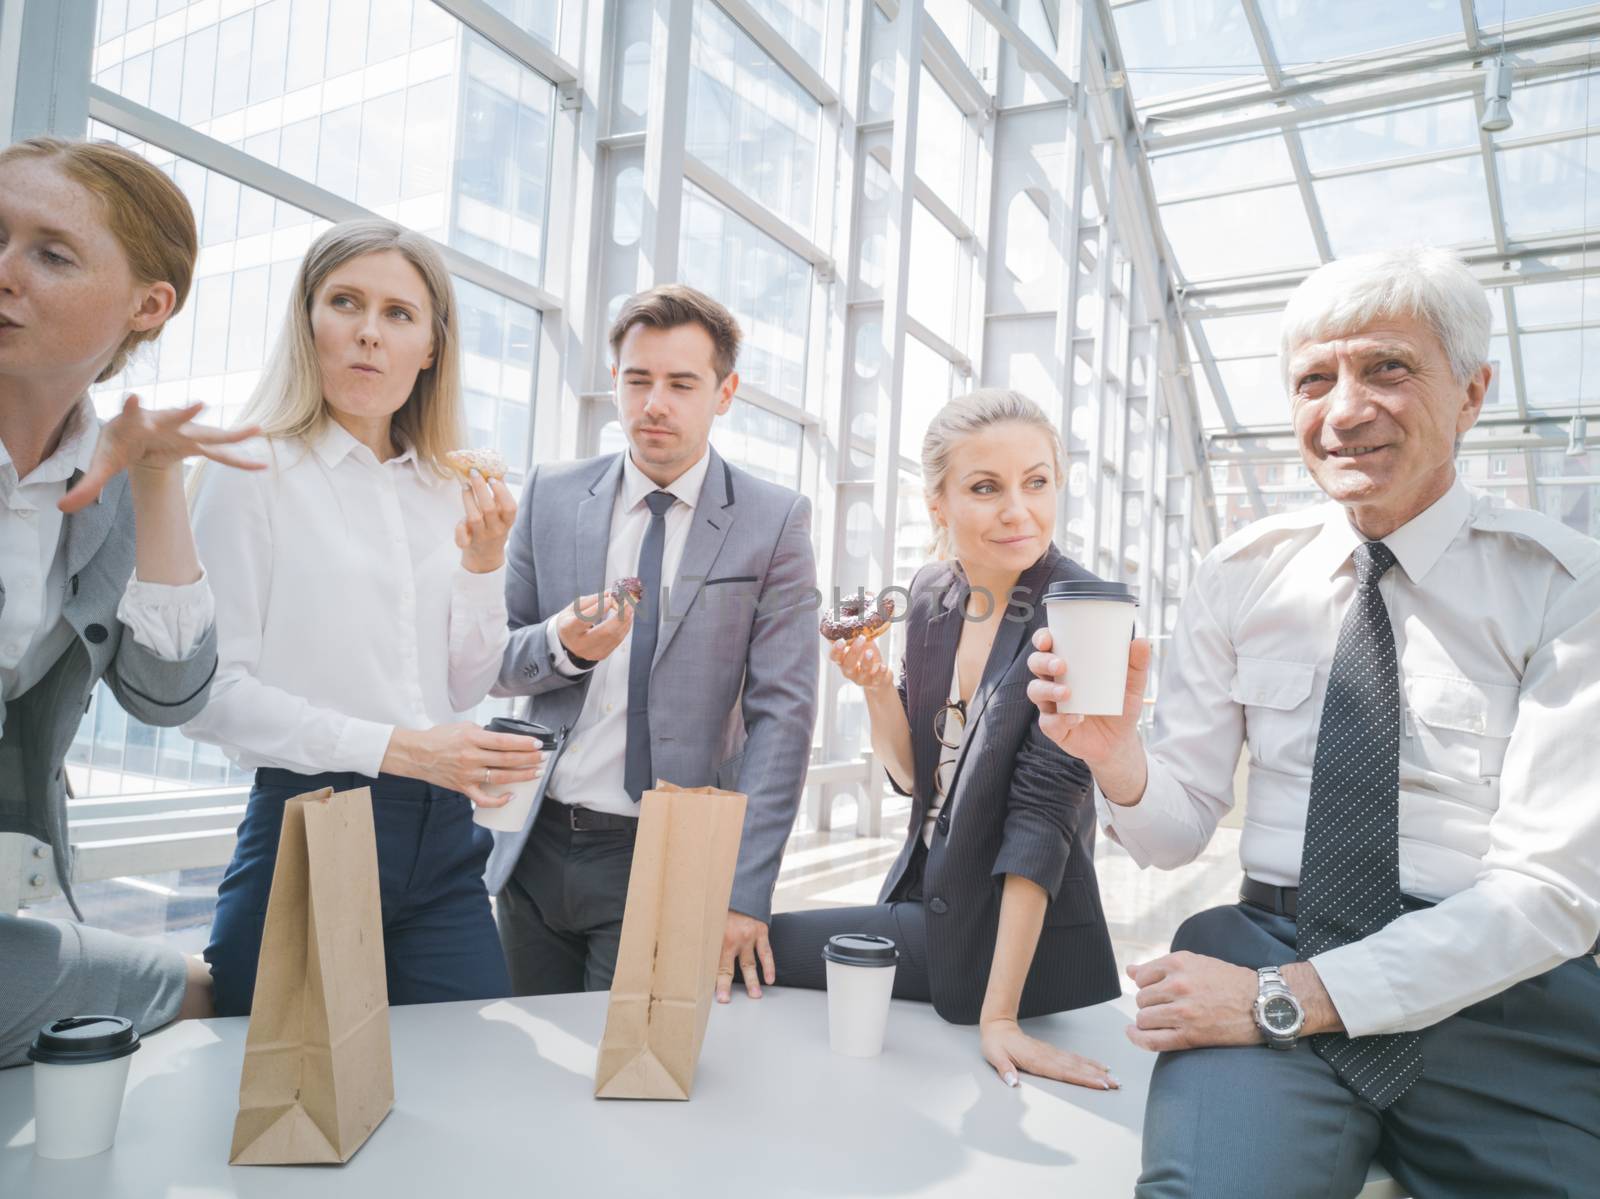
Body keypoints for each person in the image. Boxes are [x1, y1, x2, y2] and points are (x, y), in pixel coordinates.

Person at [1027, 247, 1600, 1195]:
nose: (1342, 411)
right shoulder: (1243, 572)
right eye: (1313, 380)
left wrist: (1274, 1003)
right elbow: (1175, 835)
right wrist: (1116, 755)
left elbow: (1550, 892)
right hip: (1275, 935)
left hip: (1499, 990)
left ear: (1473, 391)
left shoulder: (1562, 588)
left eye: (1387, 368)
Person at [186, 218, 539, 1016]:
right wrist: (399, 749)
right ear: (308, 321)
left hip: (447, 838)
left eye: (399, 314)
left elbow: (467, 681)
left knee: (465, 1086)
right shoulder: (251, 467)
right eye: (346, 302)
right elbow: (210, 695)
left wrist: (485, 569)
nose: (369, 334)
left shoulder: (448, 486)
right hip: (314, 823)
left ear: (431, 348)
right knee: (296, 1115)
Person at [767, 389, 1121, 1089]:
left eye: (1037, 482)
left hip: (1004, 938)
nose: (1018, 510)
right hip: (923, 895)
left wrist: (1000, 1016)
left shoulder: (1088, 612)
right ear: (938, 503)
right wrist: (873, 686)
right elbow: (913, 776)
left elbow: (1043, 821)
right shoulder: (932, 593)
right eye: (986, 488)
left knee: (755, 942)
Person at [0, 137, 260, 1065]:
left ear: (148, 306)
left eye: (50, 253)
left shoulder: (106, 488)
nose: (5, 272)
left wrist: (154, 485)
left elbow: (167, 694)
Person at [486, 284, 818, 999]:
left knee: (629, 1082)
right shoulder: (548, 495)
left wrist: (745, 887)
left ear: (724, 392)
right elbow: (494, 659)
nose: (654, 403)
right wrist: (565, 645)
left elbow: (783, 717)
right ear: (614, 383)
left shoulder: (774, 522)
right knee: (525, 1065)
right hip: (534, 843)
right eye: (637, 380)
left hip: (667, 851)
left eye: (680, 383)